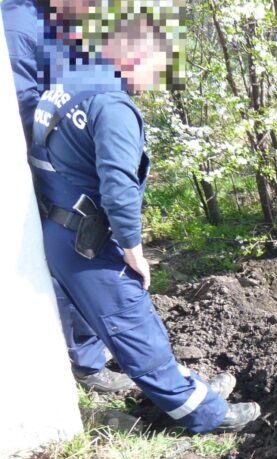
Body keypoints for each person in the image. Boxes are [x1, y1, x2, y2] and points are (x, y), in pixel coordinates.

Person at [29, 16, 261, 432]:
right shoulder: (113, 105)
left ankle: (94, 371)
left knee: (87, 315)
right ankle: (205, 415)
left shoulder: (73, 80)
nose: (154, 82)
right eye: (158, 68)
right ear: (136, 54)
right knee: (134, 323)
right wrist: (134, 250)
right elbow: (118, 185)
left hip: (55, 226)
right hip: (85, 238)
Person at [3, 0, 138, 392]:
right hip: (50, 163)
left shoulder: (61, 20)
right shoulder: (16, 27)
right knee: (70, 251)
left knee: (92, 244)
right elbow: (21, 111)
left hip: (75, 153)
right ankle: (88, 363)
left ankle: (101, 343)